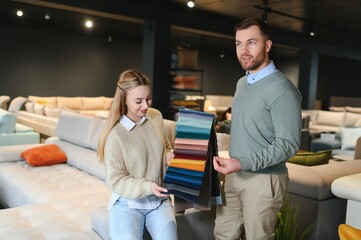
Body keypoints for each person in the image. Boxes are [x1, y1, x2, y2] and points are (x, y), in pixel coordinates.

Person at [213, 17, 302, 240]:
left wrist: (242, 163)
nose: (244, 50)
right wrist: (220, 126)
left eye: (251, 42)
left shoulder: (283, 89)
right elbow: (251, 122)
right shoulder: (242, 83)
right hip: (235, 175)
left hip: (265, 180)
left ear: (267, 45)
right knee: (223, 234)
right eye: (238, 43)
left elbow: (288, 144)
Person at [97, 69, 177, 240]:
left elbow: (166, 148)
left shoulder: (155, 116)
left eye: (148, 98)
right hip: (127, 204)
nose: (146, 106)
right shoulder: (115, 135)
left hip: (159, 201)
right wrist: (148, 187)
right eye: (138, 101)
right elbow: (116, 180)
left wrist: (168, 157)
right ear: (124, 100)